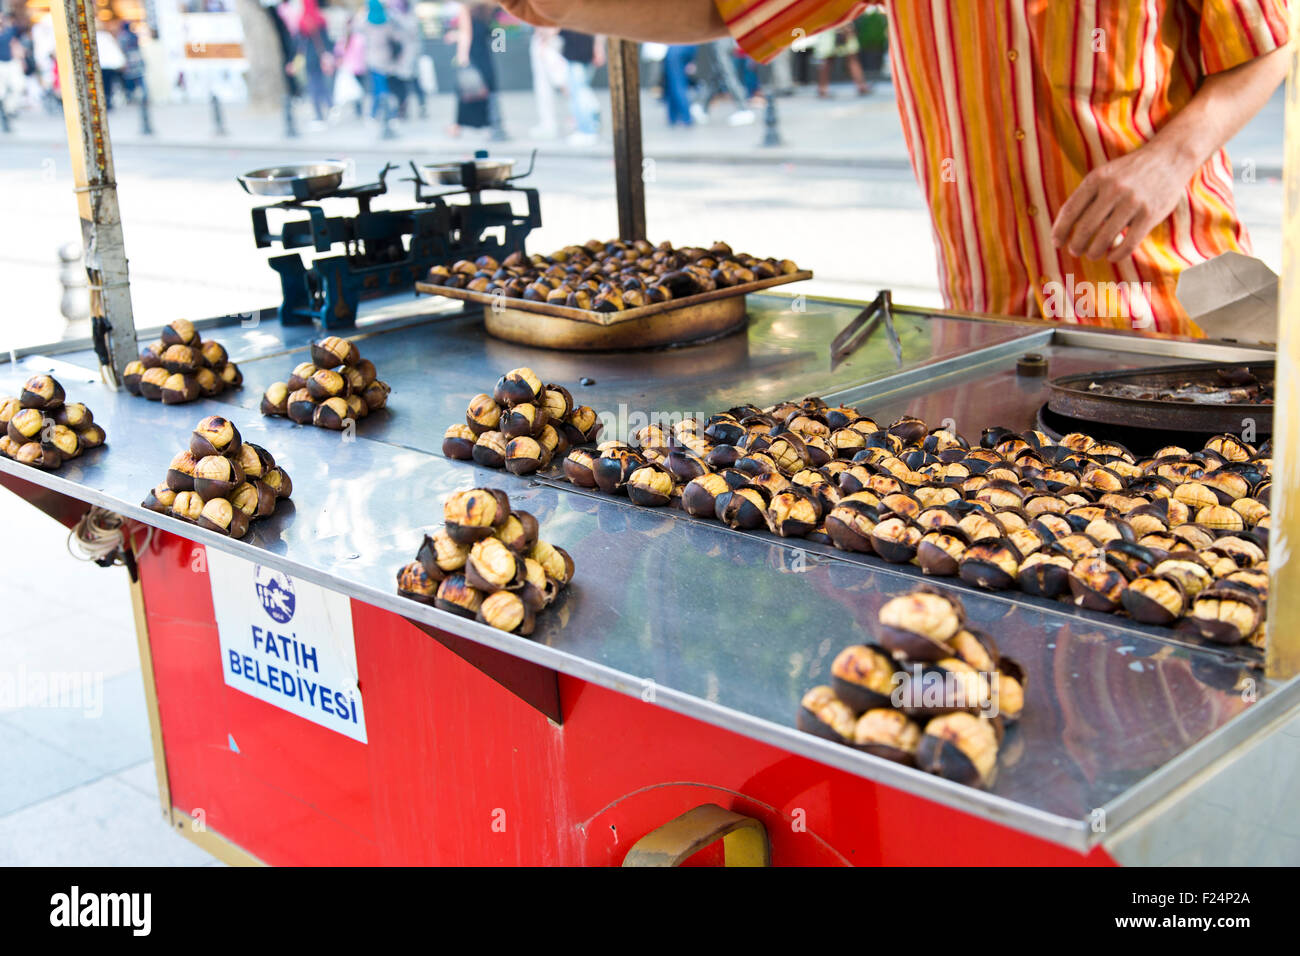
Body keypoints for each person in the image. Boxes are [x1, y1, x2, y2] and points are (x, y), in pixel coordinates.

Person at [497, 0, 1291, 336]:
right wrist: (566, 7)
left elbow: (1269, 42)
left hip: (1180, 313)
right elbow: (724, 8)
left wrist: (1165, 161)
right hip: (994, 329)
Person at [449, 0, 500, 136]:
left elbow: (466, 34)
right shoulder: (488, 8)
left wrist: (462, 57)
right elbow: (495, 33)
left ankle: (457, 127)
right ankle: (495, 126)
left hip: (472, 54)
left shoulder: (466, 8)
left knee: (465, 90)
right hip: (484, 54)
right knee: (488, 88)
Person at [559, 28, 603, 143]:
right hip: (582, 53)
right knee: (582, 92)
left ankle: (587, 130)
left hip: (577, 55)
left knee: (579, 94)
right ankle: (588, 127)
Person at [294, 0, 334, 125]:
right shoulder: (321, 19)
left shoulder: (302, 21)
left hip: (310, 58)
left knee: (313, 84)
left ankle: (319, 114)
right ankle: (329, 105)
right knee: (322, 82)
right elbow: (327, 39)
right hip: (321, 56)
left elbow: (299, 42)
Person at [810, 22, 868, 98]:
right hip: (834, 27)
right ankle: (822, 88)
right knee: (829, 60)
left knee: (849, 58)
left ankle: (822, 89)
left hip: (831, 27)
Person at [528, 25, 566, 139]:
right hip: (545, 40)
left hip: (548, 42)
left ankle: (585, 118)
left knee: (561, 83)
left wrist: (545, 40)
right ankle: (548, 124)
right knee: (550, 86)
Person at [661, 44, 695, 128]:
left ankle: (685, 117)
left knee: (676, 83)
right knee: (675, 82)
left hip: (676, 46)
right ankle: (673, 117)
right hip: (689, 44)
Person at [95, 22, 126, 110]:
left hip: (101, 65)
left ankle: (105, 101)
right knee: (108, 84)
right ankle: (107, 100)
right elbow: (115, 49)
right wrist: (121, 61)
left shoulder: (95, 37)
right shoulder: (106, 36)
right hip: (109, 64)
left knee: (102, 84)